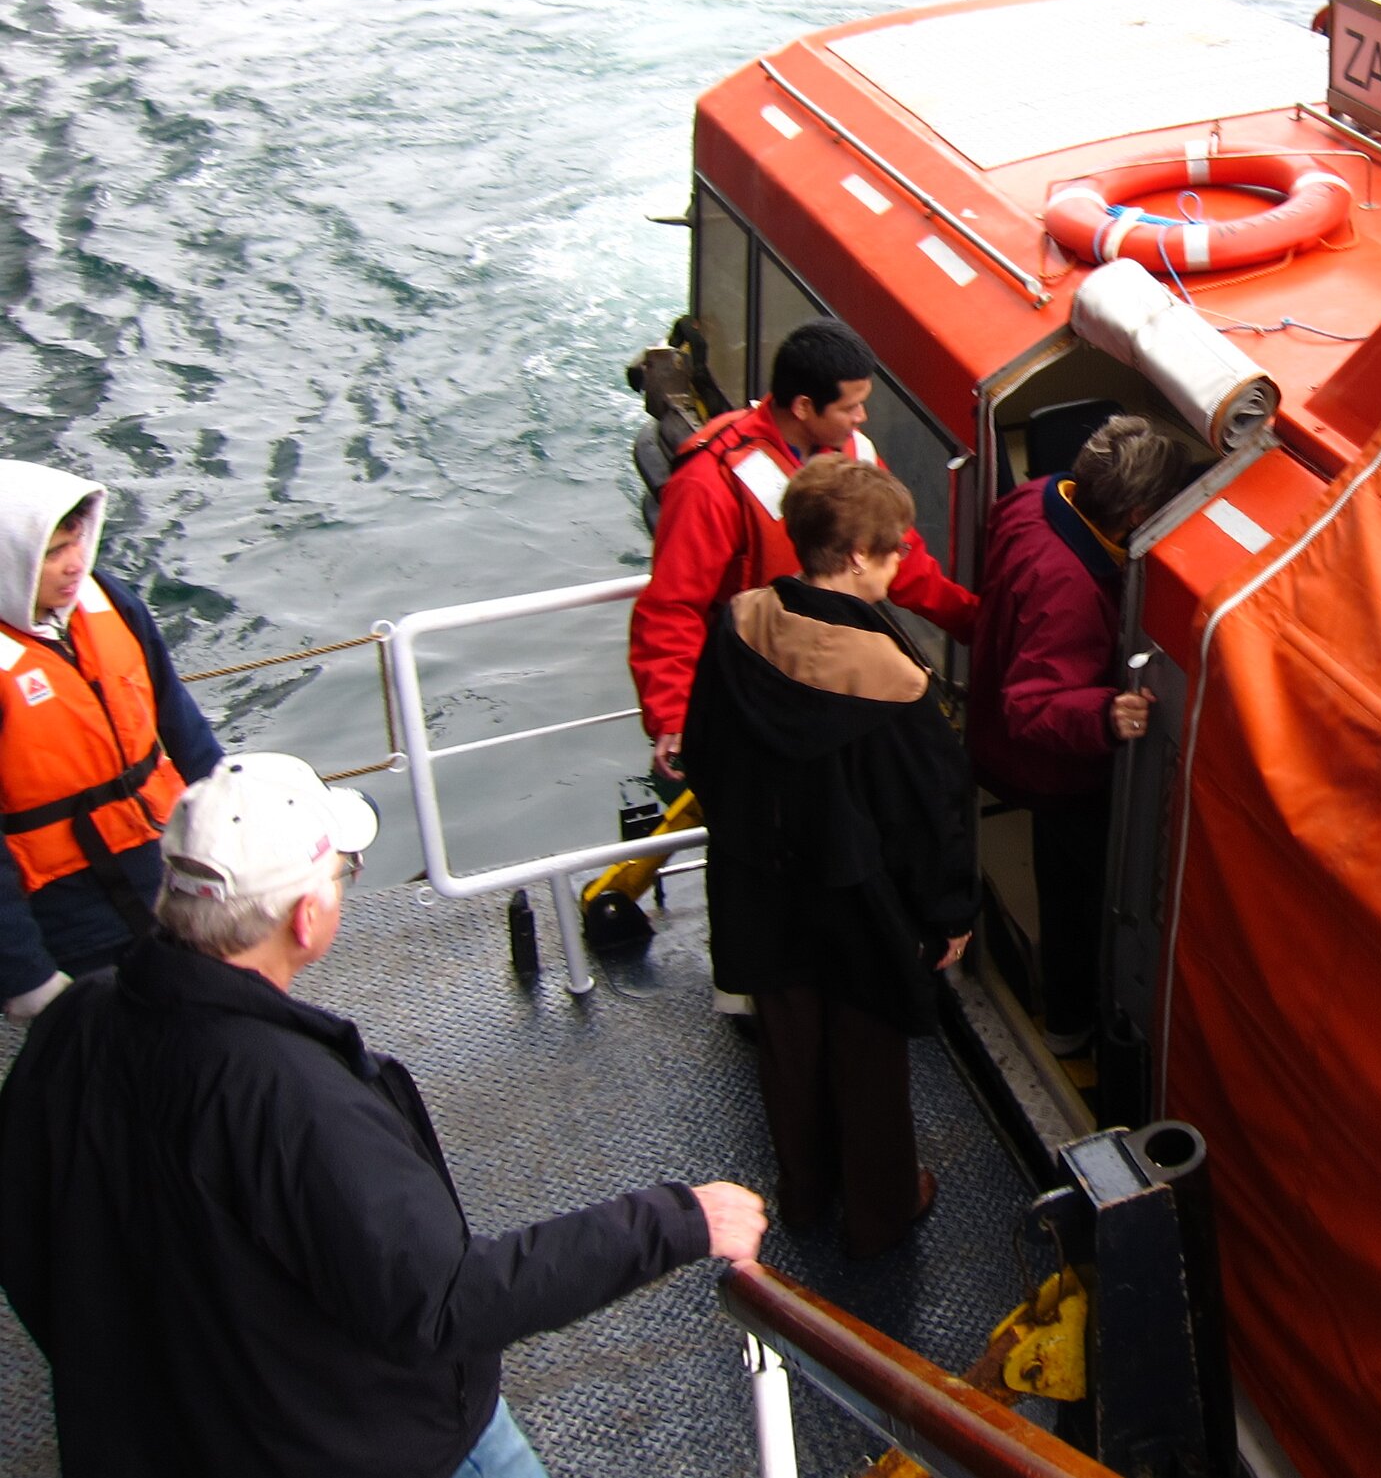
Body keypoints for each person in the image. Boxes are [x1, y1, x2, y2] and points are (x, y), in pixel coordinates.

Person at [0, 751, 765, 1477]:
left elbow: (28, 1227)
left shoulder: (74, 1023)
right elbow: (440, 1299)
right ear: (306, 918)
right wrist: (675, 1219)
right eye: (342, 873)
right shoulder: (293, 1098)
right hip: (371, 1447)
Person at [683, 456, 977, 1257]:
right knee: (867, 1054)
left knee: (787, 1045)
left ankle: (804, 1193)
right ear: (854, 556)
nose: (901, 558)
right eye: (894, 547)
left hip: (755, 879)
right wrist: (948, 914)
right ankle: (881, 1210)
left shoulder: (738, 623)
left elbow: (704, 748)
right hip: (856, 898)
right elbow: (929, 815)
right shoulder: (895, 683)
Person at [630, 317, 976, 782]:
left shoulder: (854, 454)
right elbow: (672, 607)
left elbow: (902, 559)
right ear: (804, 406)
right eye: (850, 407)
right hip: (754, 678)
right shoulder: (709, 482)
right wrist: (674, 717)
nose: (861, 418)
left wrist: (976, 623)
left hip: (828, 669)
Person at [966, 414, 1186, 1053]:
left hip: (993, 723)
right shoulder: (1071, 587)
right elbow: (1031, 705)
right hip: (1052, 771)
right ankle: (1072, 1027)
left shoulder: (1037, 497)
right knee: (1077, 896)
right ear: (1137, 513)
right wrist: (1106, 715)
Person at [0, 461, 221, 1025]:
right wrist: (26, 975)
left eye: (77, 541)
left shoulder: (110, 603)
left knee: (208, 1015)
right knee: (110, 1046)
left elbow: (183, 725)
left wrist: (230, 821)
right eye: (52, 553)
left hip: (163, 863)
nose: (76, 564)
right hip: (66, 913)